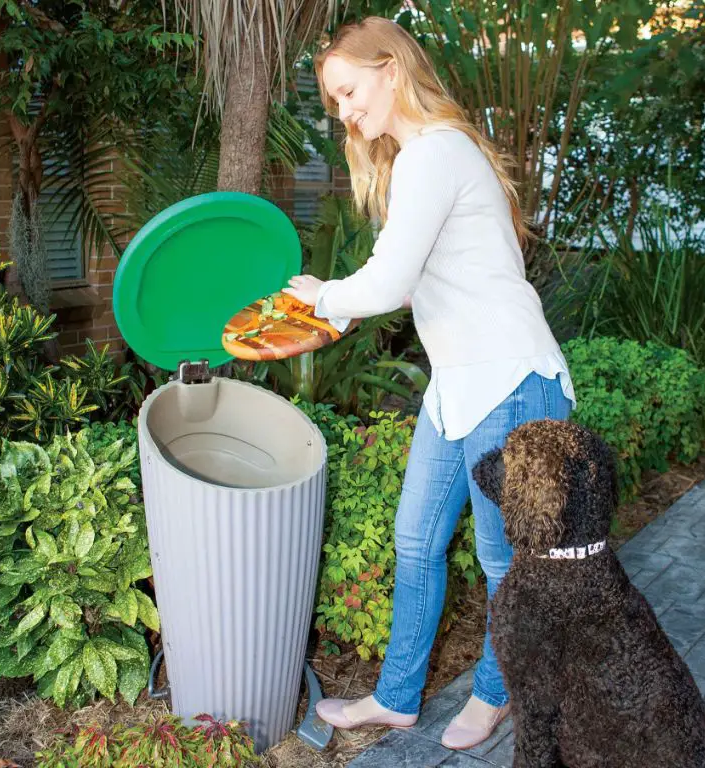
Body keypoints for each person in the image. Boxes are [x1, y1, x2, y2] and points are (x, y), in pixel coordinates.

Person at [282, 16, 576, 751]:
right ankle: (398, 696)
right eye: (336, 102)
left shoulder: (434, 154)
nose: (345, 111)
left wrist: (320, 297)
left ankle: (495, 692)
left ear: (389, 67)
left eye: (349, 90)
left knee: (502, 558)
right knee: (414, 541)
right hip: (456, 386)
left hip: (510, 377)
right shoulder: (424, 157)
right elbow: (419, 284)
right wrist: (342, 310)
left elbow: (383, 281)